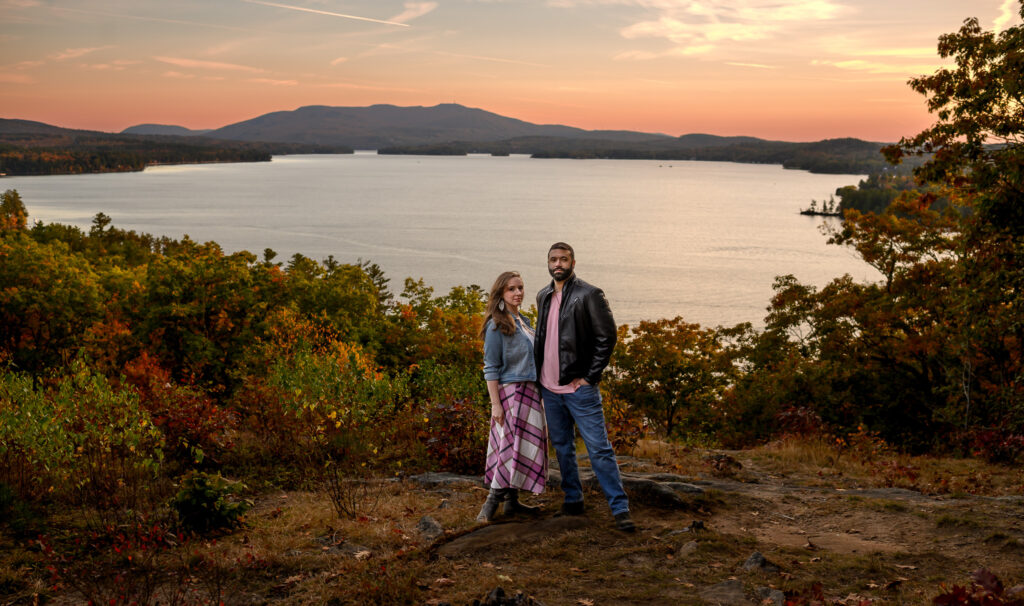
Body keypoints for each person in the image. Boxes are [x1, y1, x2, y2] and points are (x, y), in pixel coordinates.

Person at [534, 242, 635, 532]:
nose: (558, 264)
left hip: (580, 390)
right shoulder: (542, 295)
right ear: (548, 262)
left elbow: (607, 337)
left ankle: (620, 508)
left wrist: (590, 377)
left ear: (573, 263)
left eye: (563, 259)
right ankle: (573, 500)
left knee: (599, 449)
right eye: (553, 259)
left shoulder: (589, 294)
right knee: (563, 447)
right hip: (549, 388)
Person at [476, 271, 548, 522]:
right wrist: (495, 405)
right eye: (511, 289)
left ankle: (512, 503)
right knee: (508, 449)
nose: (518, 293)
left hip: (530, 392)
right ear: (500, 293)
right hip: (511, 395)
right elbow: (490, 368)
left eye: (520, 288)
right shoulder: (496, 325)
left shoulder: (524, 321)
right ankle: (490, 504)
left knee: (519, 448)